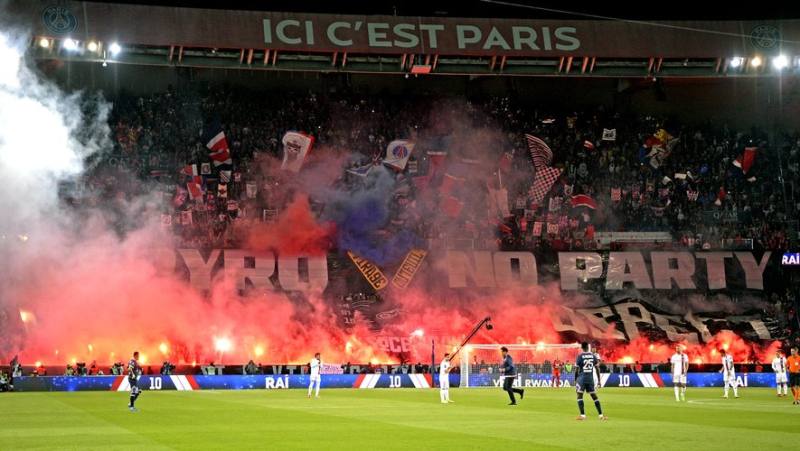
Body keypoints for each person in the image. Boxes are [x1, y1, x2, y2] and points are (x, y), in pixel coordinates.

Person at [575, 342, 606, 420]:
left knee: (579, 396)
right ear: (588, 348)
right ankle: (601, 415)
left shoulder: (579, 356)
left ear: (582, 348)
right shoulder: (593, 356)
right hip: (590, 379)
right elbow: (597, 369)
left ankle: (582, 415)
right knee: (594, 396)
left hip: (581, 379)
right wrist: (599, 380)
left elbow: (576, 370)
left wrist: (575, 380)